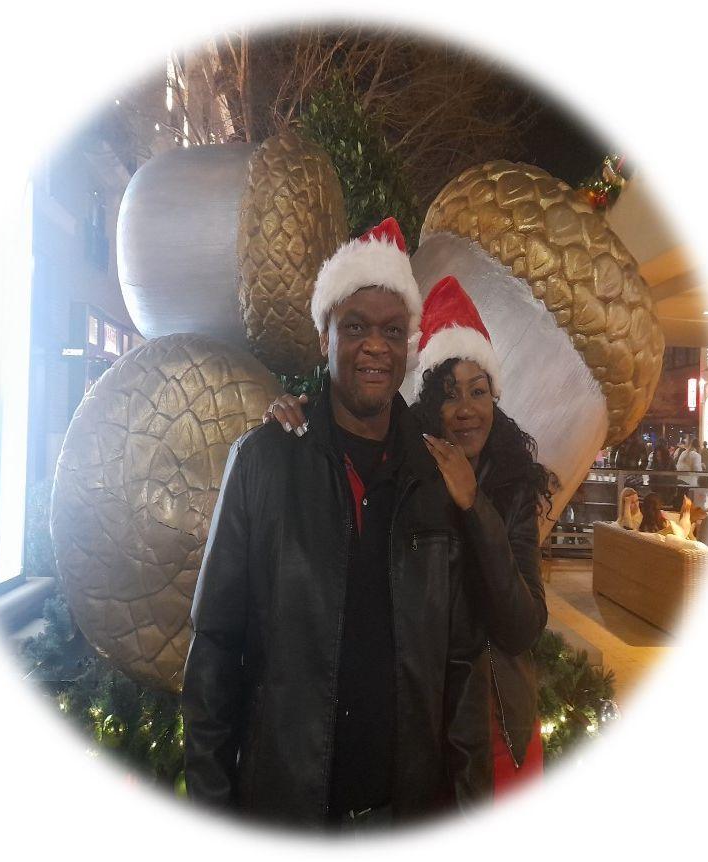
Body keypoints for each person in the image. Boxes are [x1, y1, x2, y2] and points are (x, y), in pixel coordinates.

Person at [181, 219, 490, 831]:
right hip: (286, 810)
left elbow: (460, 665)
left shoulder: (436, 478)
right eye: (355, 327)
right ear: (325, 336)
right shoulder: (263, 463)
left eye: (392, 331)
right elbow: (215, 647)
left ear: (408, 346)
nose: (375, 346)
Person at [265, 274, 552, 800]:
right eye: (448, 395)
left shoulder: (513, 489)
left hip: (496, 720)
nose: (465, 409)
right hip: (421, 727)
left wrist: (476, 506)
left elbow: (521, 627)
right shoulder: (408, 474)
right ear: (428, 408)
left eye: (479, 391)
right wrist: (296, 411)